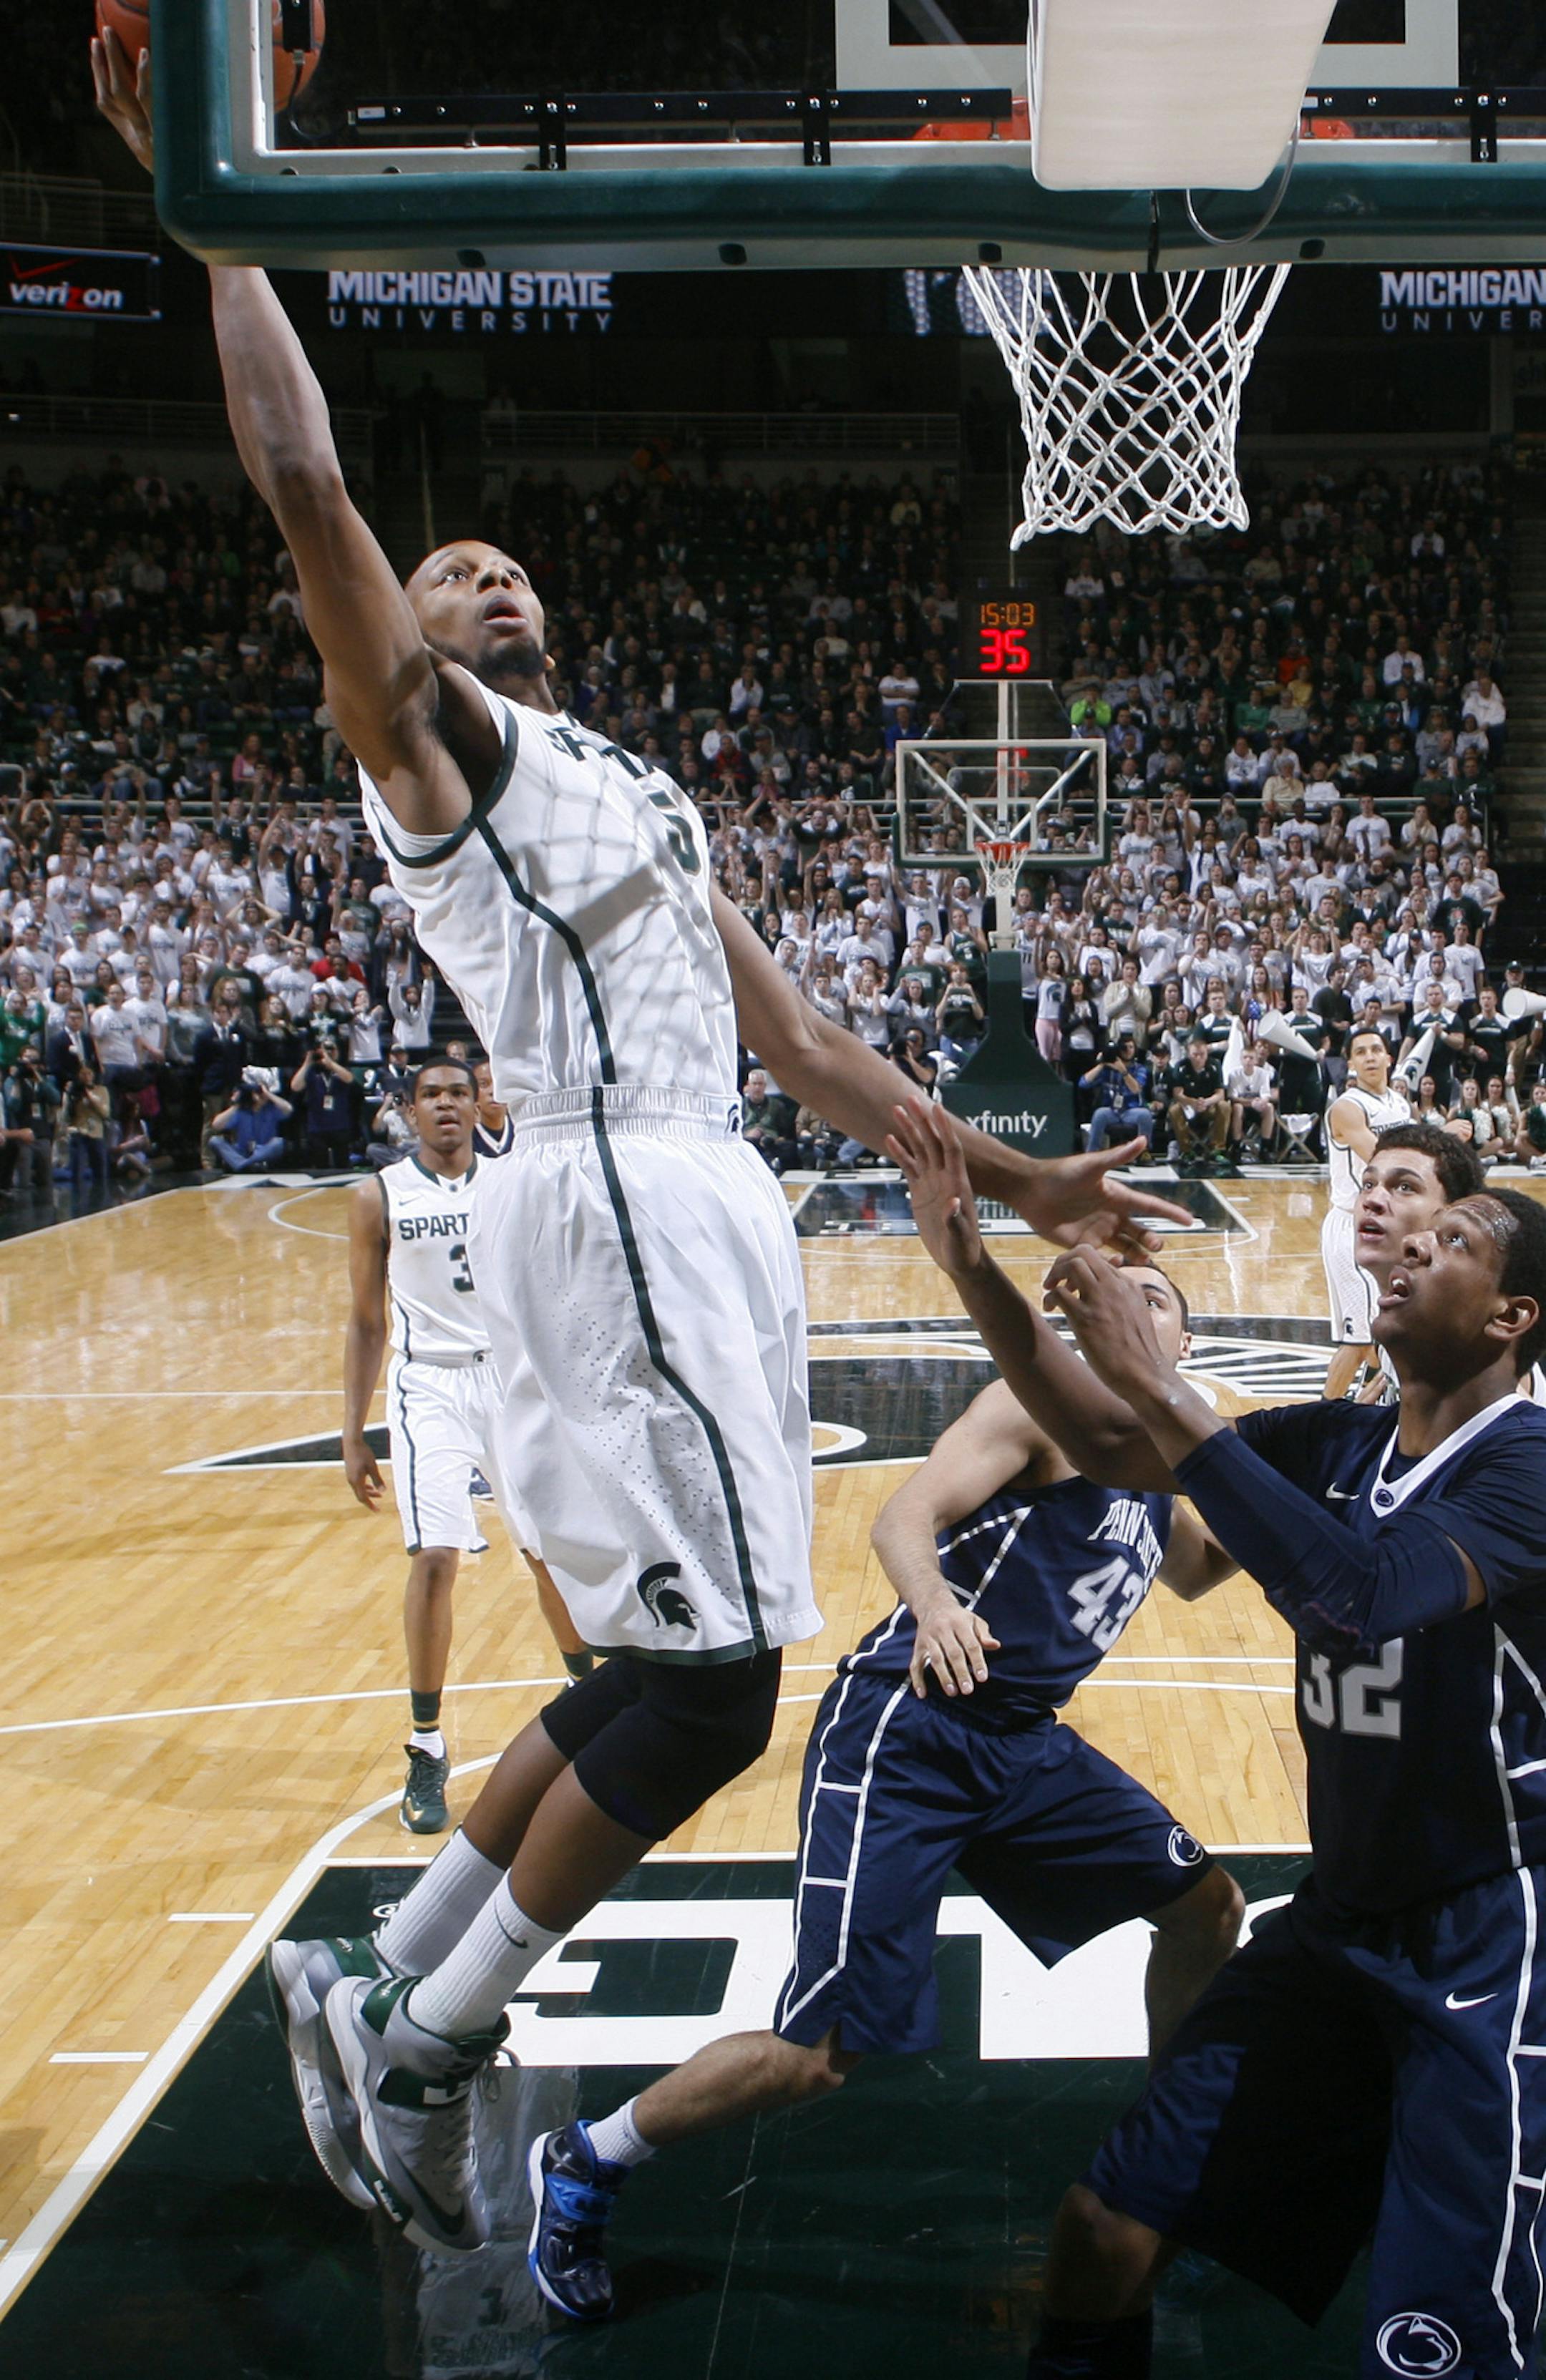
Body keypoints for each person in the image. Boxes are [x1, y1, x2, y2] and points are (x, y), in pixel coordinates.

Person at [94, 36, 1187, 2260]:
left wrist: (1032, 1175)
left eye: (497, 560)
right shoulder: (443, 756)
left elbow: (808, 1048)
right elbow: (309, 487)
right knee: (708, 1687)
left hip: (678, 1184)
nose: (472, 572)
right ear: (402, 636)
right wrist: (217, 215)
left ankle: (385, 1976)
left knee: (638, 1668)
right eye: (446, 563)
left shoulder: (643, 792)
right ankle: (430, 2044)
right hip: (618, 1181)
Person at [891, 1096, 1546, 2380]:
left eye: (1455, 1236)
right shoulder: (1343, 1439)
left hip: (1492, 1939)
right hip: (1344, 1921)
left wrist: (1157, 1376)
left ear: (1514, 1316)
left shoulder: (1527, 1466)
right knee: (1100, 2228)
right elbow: (1105, 1441)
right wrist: (974, 1267)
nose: (1409, 1245)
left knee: (1433, 2348)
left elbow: (1360, 1596)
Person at [524, 1265, 1243, 2321]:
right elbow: (902, 1515)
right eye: (1116, 1287)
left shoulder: (1156, 1472)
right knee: (818, 2052)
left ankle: (1164, 2161)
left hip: (1019, 1744)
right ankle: (589, 2155)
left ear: (1183, 1348)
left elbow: (1205, 1566)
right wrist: (938, 1602)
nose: (1131, 1298)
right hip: (908, 1730)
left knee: (1206, 1907)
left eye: (1158, 1295)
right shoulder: (1031, 1407)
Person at [336, 1056, 588, 1839]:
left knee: (549, 1552)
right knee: (436, 1556)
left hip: (510, 1381)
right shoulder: (376, 1193)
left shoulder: (510, 1178)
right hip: (429, 1389)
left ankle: (593, 1709)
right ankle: (426, 1743)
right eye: (431, 1095)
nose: (446, 1105)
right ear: (408, 1111)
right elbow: (366, 1320)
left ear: (476, 1102)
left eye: (457, 1092)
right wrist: (352, 1429)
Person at [1320, 1026, 1411, 1400]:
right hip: (1353, 1228)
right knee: (1358, 1342)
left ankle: (1372, 1413)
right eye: (1362, 1052)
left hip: (1388, 1226)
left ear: (1390, 1058)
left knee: (1387, 1332)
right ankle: (1320, 1422)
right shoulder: (1347, 1107)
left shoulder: (1399, 1104)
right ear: (1352, 1063)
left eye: (1377, 1049)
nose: (1371, 1056)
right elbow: (1385, 1161)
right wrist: (1443, 1139)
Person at [206, 1067, 293, 1171]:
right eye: (256, 1093)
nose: (259, 1097)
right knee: (214, 1141)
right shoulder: (241, 1110)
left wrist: (267, 1094)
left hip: (263, 1151)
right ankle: (246, 1164)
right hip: (242, 1151)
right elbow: (216, 1125)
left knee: (278, 1143)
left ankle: (243, 1165)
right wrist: (237, 1104)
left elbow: (289, 1109)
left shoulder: (272, 1109)